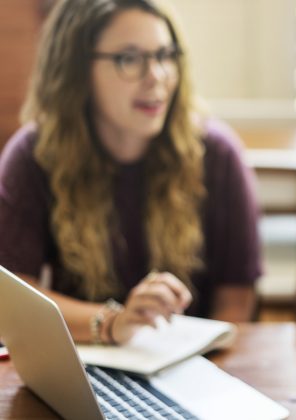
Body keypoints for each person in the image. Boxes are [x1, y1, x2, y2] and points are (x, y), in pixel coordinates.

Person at [0, 0, 262, 346]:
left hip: (195, 366)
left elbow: (237, 301)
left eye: (166, 55)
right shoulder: (34, 155)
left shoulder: (218, 155)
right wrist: (113, 323)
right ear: (76, 69)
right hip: (87, 366)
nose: (156, 76)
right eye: (129, 58)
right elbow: (12, 297)